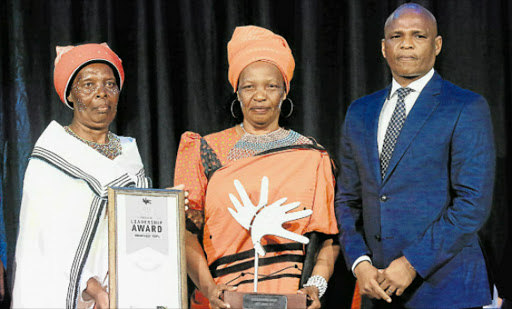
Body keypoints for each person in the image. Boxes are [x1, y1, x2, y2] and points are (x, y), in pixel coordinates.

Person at [335, 3, 495, 308]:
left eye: (418, 36)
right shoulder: (360, 111)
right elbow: (347, 199)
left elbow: (472, 203)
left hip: (446, 291)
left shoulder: (465, 106)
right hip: (377, 290)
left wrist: (411, 263)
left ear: (437, 45)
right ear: (384, 48)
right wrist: (360, 263)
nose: (406, 43)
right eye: (397, 36)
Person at [174, 25, 339, 309]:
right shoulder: (205, 150)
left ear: (285, 92)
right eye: (249, 86)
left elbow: (329, 239)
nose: (259, 96)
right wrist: (210, 289)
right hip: (222, 300)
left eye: (271, 86)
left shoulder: (312, 156)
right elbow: (185, 232)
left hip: (288, 300)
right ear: (237, 92)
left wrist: (316, 286)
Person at [12, 43, 151, 308]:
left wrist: (172, 208)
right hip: (69, 291)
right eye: (88, 85)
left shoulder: (128, 152)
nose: (101, 93)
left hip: (124, 290)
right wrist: (94, 289)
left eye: (110, 85)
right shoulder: (52, 153)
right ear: (71, 95)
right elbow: (43, 240)